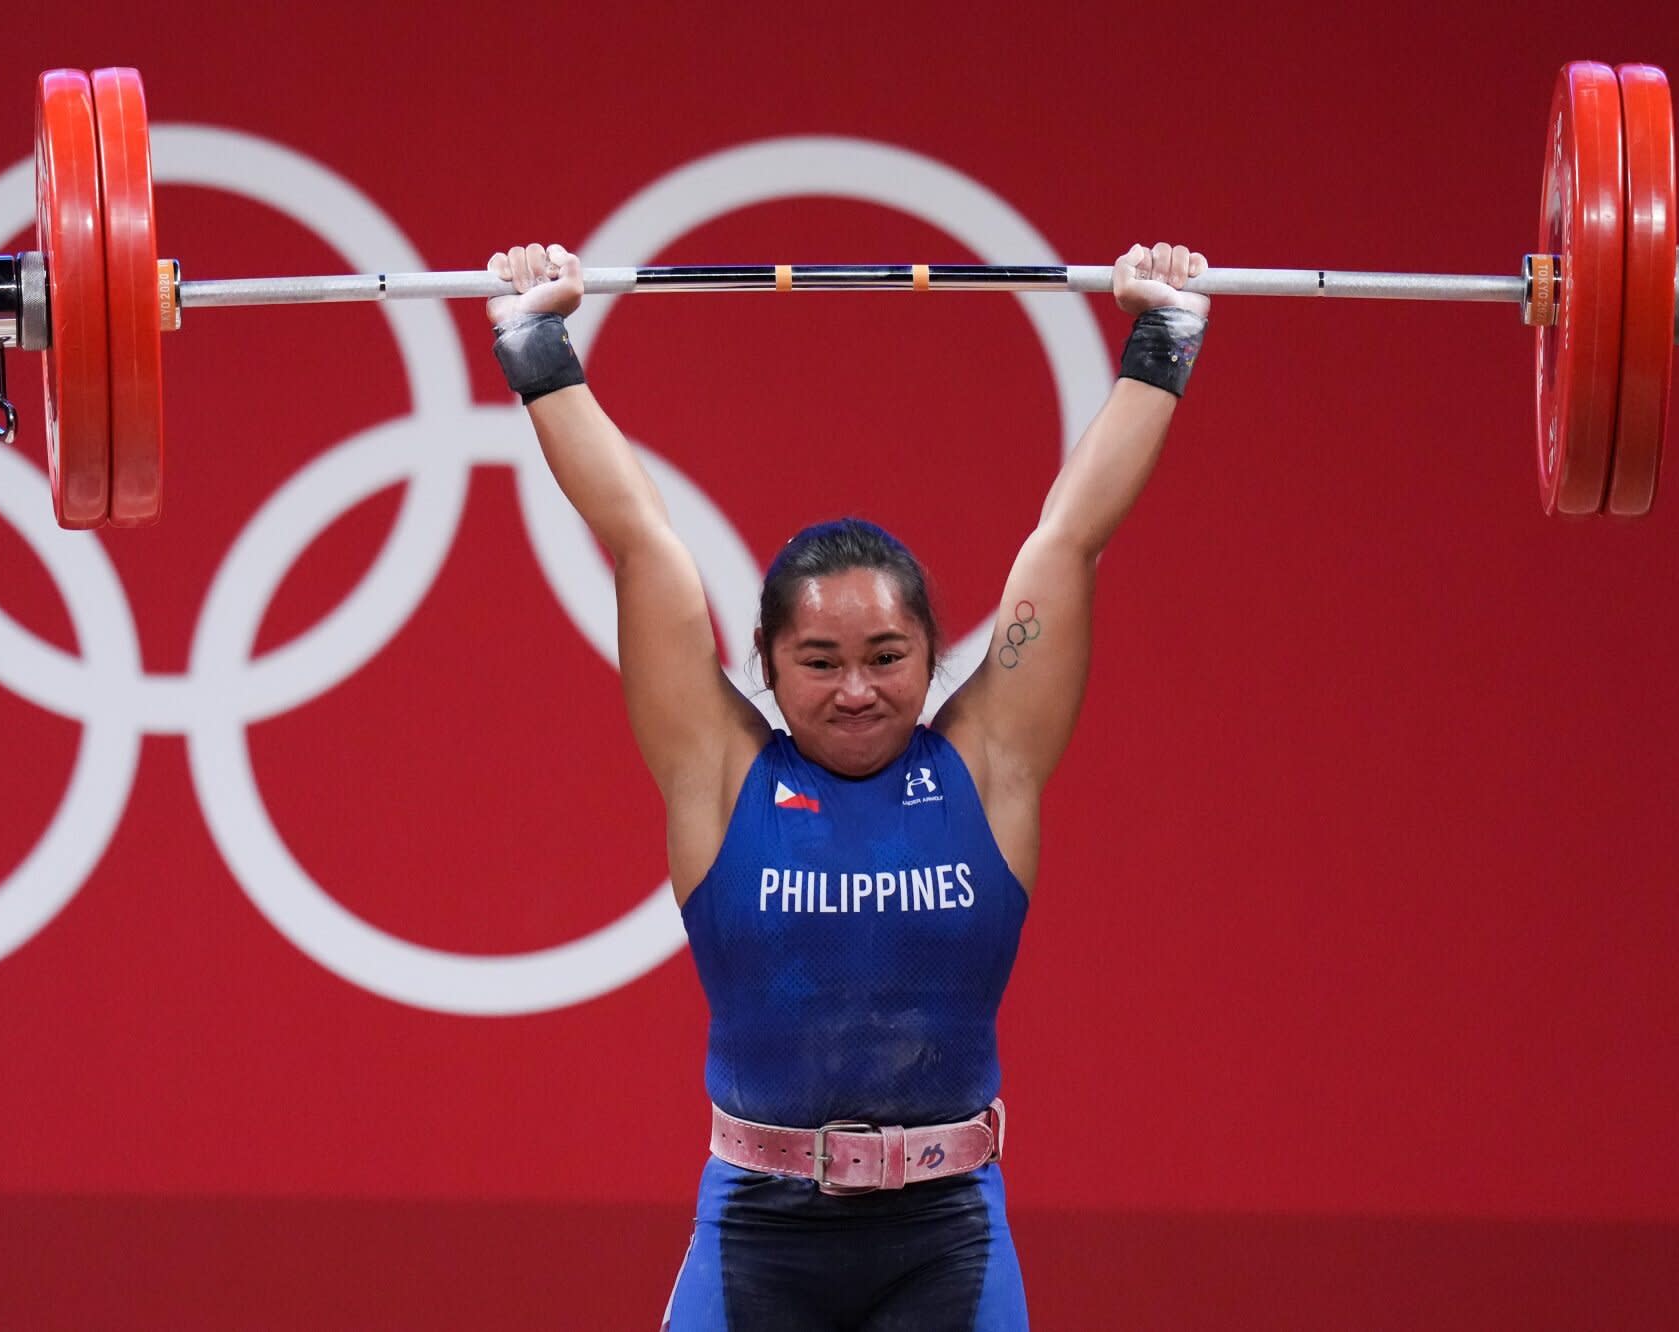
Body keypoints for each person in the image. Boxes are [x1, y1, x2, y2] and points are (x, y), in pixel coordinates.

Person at [485, 240, 1209, 1331]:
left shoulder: (988, 761)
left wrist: (1162, 344)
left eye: (885, 657)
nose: (857, 690)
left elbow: (1068, 539)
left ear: (932, 655)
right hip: (758, 1233)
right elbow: (639, 541)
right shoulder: (717, 771)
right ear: (767, 665)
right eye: (818, 663)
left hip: (944, 1237)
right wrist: (538, 348)